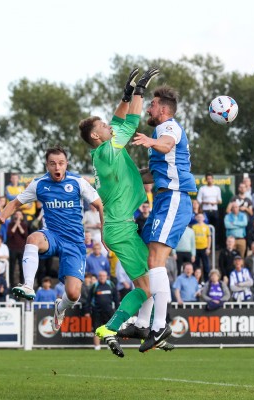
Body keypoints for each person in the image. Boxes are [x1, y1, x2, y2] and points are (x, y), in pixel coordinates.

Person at [80, 68, 172, 356]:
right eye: (104, 126)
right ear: (97, 135)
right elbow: (130, 121)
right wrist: (140, 92)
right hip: (120, 228)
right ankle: (114, 327)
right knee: (146, 285)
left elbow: (120, 117)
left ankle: (143, 325)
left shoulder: (106, 149)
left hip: (120, 227)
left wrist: (128, 92)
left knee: (145, 281)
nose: (110, 125)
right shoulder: (108, 150)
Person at [0, 146, 104, 333]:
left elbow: (99, 205)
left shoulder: (78, 182)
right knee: (33, 238)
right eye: (52, 164)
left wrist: (104, 233)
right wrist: (2, 216)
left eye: (60, 163)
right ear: (47, 165)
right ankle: (28, 285)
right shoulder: (39, 184)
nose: (57, 167)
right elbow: (15, 203)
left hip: (75, 242)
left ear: (66, 164)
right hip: (51, 235)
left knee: (73, 294)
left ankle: (60, 308)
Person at [132, 83, 197, 352]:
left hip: (174, 196)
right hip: (164, 199)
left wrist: (151, 141)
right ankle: (144, 321)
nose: (149, 107)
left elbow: (167, 145)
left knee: (155, 260)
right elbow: (152, 171)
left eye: (152, 104)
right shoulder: (159, 133)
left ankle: (159, 325)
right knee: (148, 262)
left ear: (163, 109)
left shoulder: (167, 128)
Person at [84, 270, 119, 351]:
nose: (102, 277)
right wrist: (87, 311)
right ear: (98, 277)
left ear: (106, 277)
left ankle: (110, 345)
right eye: (100, 276)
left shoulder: (111, 285)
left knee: (110, 329)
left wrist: (118, 309)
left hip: (109, 311)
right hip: (97, 311)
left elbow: (116, 298)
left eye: (103, 276)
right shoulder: (95, 286)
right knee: (96, 329)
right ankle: (97, 347)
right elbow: (88, 300)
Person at [6, 210, 28, 287]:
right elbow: (10, 234)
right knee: (12, 267)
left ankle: (22, 283)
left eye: (20, 214)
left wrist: (19, 225)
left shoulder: (24, 225)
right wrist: (16, 225)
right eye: (17, 214)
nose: (18, 215)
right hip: (12, 248)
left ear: (22, 216)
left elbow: (25, 235)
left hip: (21, 249)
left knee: (22, 268)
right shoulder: (10, 224)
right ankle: (12, 284)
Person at [196, 173, 222, 239]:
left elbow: (220, 200)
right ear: (205, 180)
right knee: (205, 227)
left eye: (210, 179)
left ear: (213, 179)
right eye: (208, 179)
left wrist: (215, 203)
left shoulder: (217, 188)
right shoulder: (202, 188)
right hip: (205, 210)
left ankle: (214, 245)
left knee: (215, 228)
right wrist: (206, 202)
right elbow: (199, 199)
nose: (209, 180)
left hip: (214, 211)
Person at [192, 212, 211, 281]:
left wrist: (208, 248)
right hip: (196, 249)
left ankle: (206, 281)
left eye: (201, 217)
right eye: (198, 217)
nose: (200, 218)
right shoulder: (194, 227)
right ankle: (197, 281)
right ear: (196, 218)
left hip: (204, 248)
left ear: (204, 218)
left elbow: (209, 238)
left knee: (206, 266)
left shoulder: (206, 227)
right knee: (196, 266)